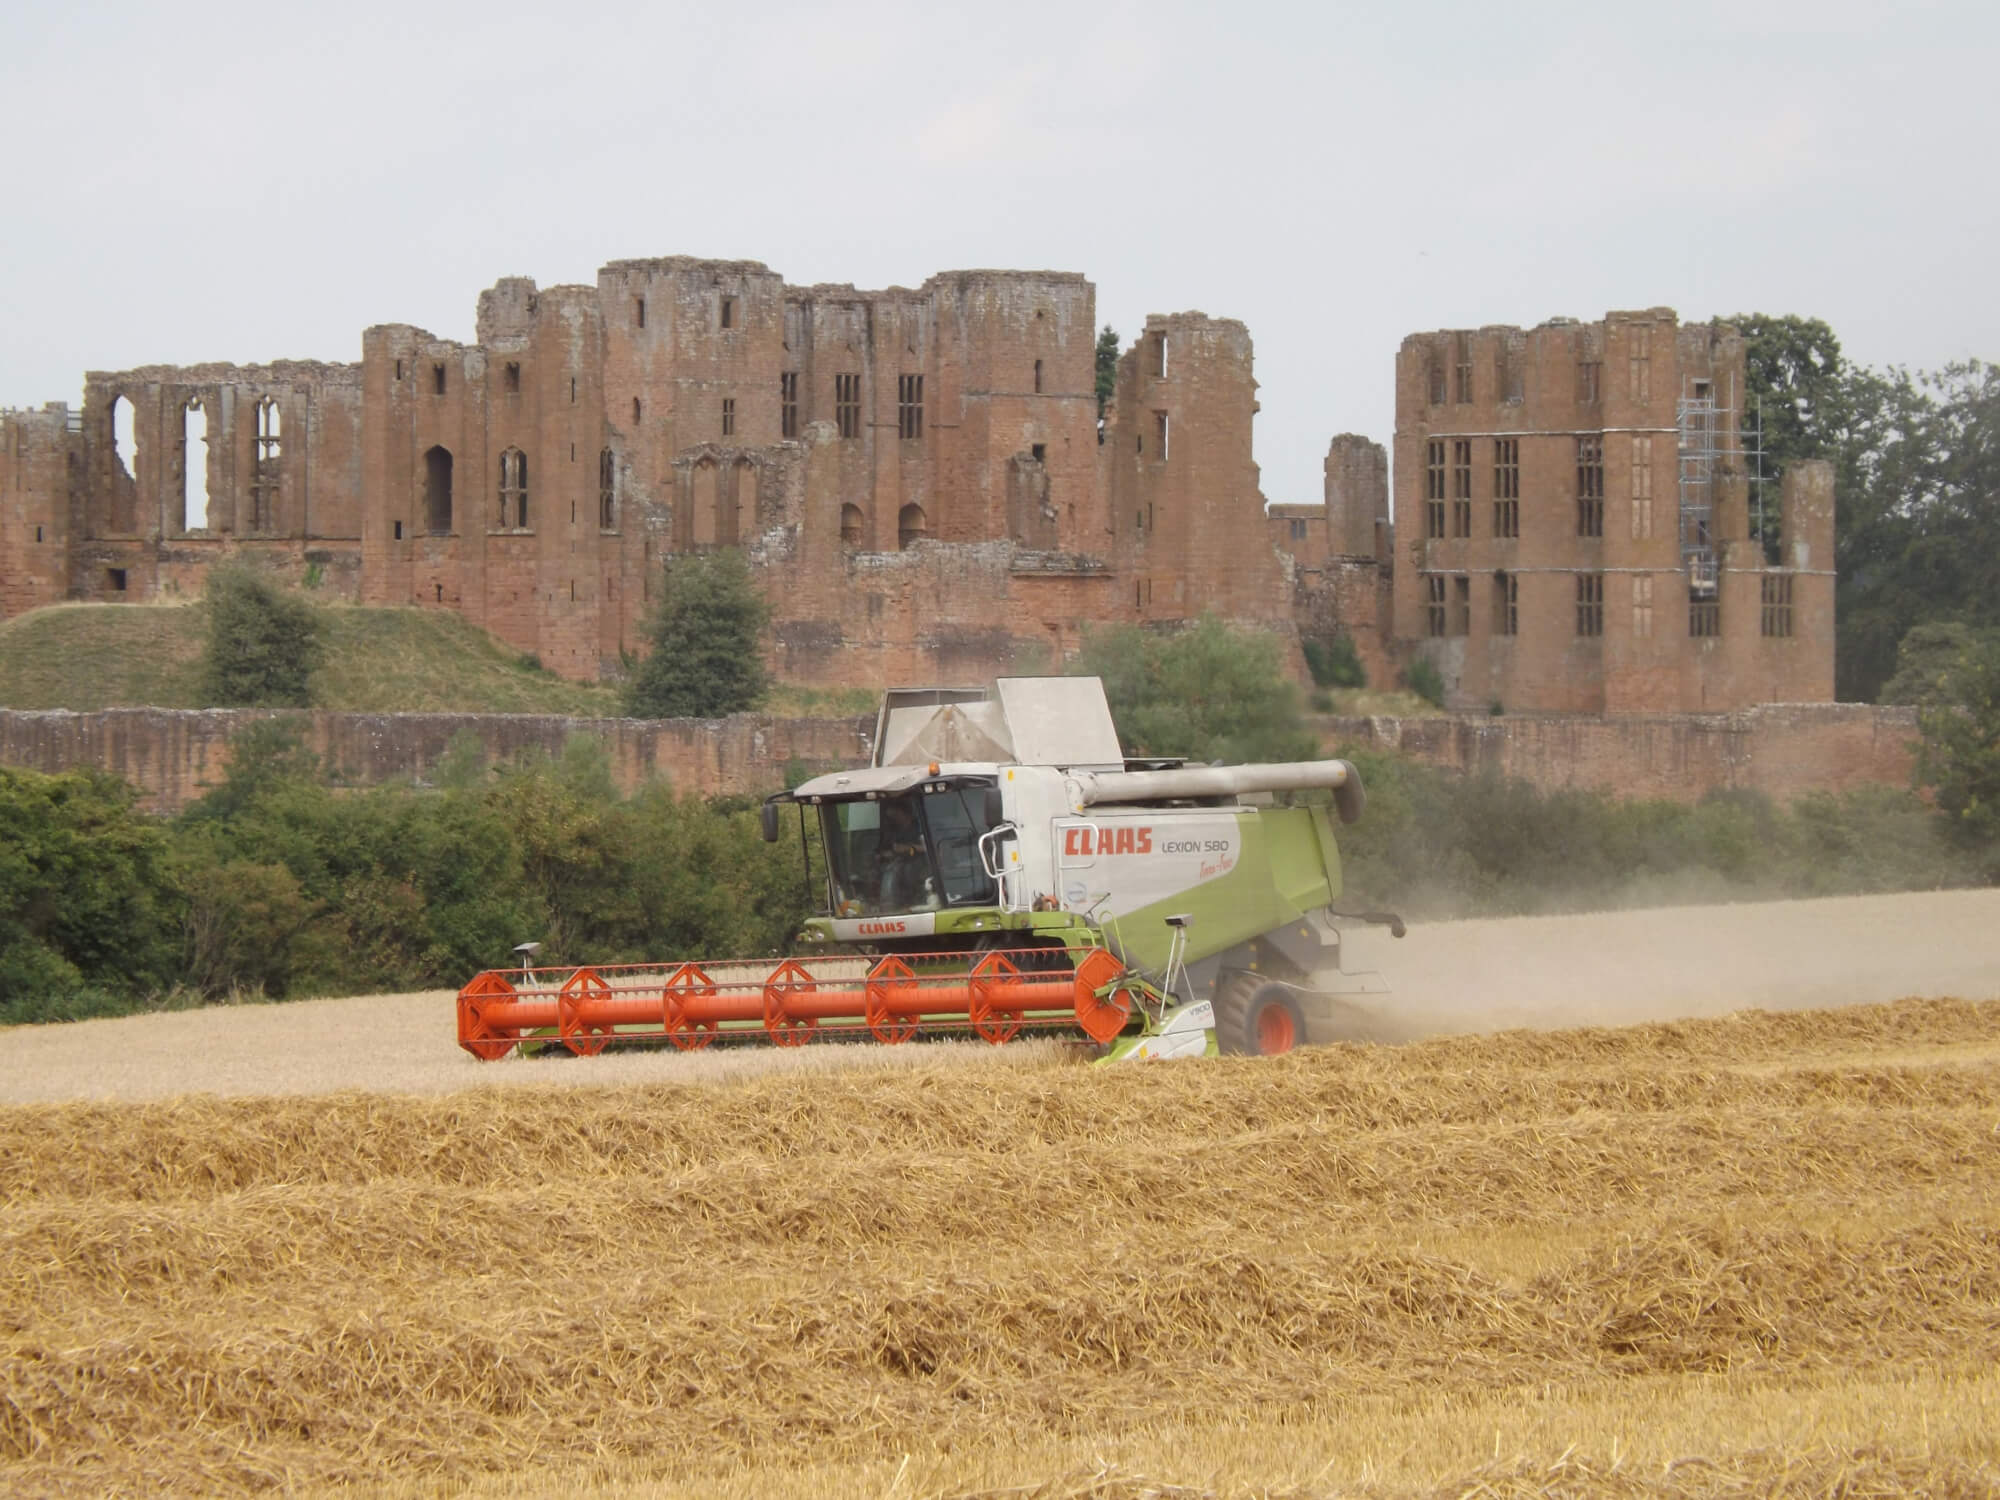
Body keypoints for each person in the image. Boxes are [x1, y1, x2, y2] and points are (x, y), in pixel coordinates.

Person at [876, 799, 928, 910]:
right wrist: (886, 854)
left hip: (919, 860)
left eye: (896, 816)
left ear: (904, 813)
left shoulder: (919, 827)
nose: (894, 820)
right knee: (888, 869)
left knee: (904, 870)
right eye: (892, 818)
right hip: (898, 860)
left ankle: (910, 902)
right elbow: (889, 848)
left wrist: (909, 848)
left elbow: (928, 848)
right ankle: (888, 905)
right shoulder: (894, 830)